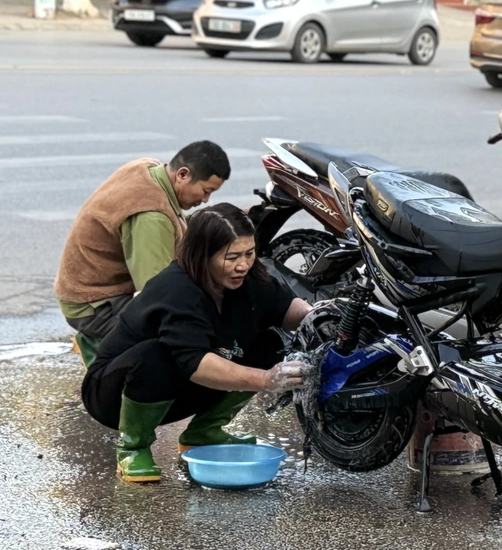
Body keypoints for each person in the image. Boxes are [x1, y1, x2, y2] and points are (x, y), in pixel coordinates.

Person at [80, 204, 311, 484]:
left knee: (271, 343)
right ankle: (133, 446)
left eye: (249, 253)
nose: (243, 264)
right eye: (232, 257)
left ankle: (204, 432)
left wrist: (318, 314)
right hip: (115, 394)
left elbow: (286, 309)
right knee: (157, 355)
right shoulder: (177, 289)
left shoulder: (247, 277)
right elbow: (196, 364)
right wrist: (265, 379)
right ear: (203, 256)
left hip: (178, 389)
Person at [56, 140, 231, 369]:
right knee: (174, 328)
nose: (205, 200)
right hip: (92, 305)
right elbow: (156, 293)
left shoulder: (148, 168)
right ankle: (101, 352)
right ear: (183, 174)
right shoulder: (151, 217)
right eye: (206, 191)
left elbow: (177, 228)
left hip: (83, 289)